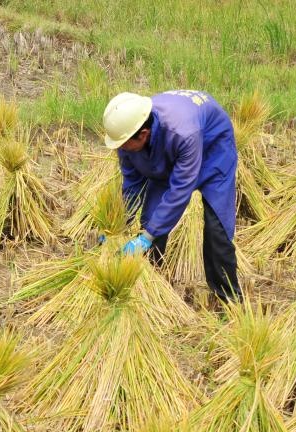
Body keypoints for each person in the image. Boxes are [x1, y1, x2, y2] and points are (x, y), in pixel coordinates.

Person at [103, 90, 241, 302]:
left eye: (123, 145)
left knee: (217, 231)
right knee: (150, 220)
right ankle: (151, 288)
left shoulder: (183, 133)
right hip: (168, 149)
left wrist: (147, 237)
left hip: (214, 150)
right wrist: (117, 226)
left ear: (143, 134)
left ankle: (228, 299)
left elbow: (180, 191)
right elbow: (132, 186)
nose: (120, 149)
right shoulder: (127, 139)